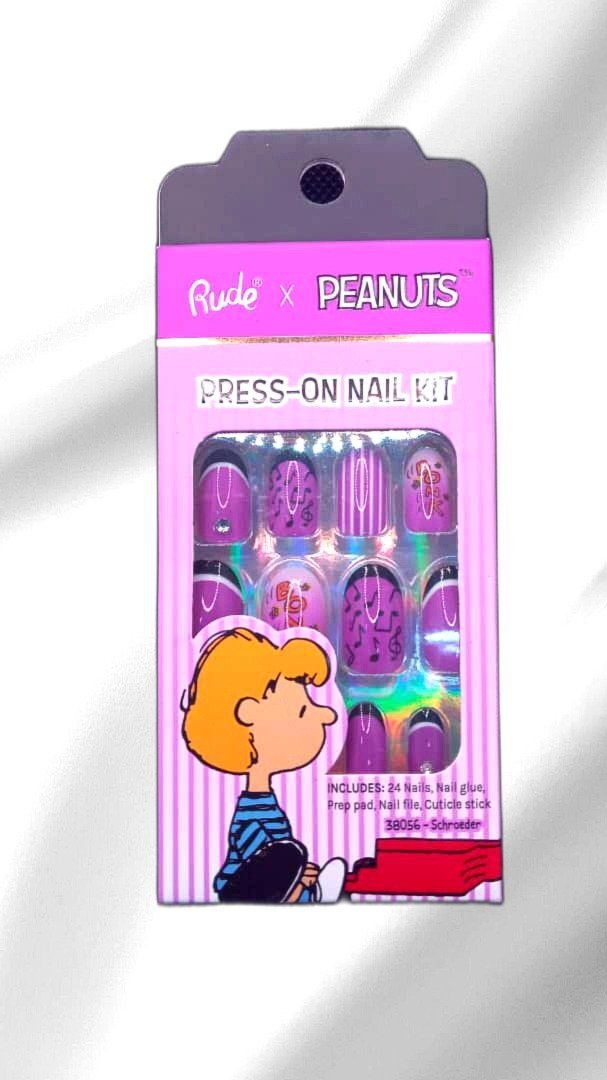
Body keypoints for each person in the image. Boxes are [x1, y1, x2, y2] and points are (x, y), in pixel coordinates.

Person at [182, 627, 346, 903]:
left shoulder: (262, 804)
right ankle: (311, 895)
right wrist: (301, 882)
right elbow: (263, 879)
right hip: (245, 896)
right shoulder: (250, 818)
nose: (327, 715)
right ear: (249, 714)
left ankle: (310, 892)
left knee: (290, 854)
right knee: (288, 853)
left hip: (269, 890)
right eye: (302, 710)